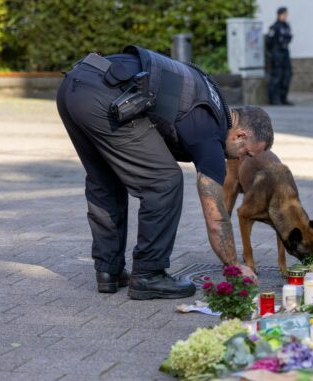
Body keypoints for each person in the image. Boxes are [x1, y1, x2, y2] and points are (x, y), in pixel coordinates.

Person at [56, 46, 272, 300]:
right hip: (105, 96)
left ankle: (109, 271)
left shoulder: (212, 101)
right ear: (240, 135)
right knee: (164, 181)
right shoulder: (211, 133)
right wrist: (234, 265)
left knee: (106, 179)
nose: (242, 159)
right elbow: (216, 217)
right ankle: (149, 274)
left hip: (75, 84)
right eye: (247, 152)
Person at [267, 6, 293, 105]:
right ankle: (274, 99)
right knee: (277, 77)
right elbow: (269, 42)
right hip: (277, 54)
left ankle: (283, 98)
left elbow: (289, 37)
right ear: (279, 15)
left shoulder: (286, 26)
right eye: (284, 14)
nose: (285, 16)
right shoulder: (274, 27)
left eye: (286, 14)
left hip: (285, 53)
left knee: (287, 76)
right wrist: (274, 52)